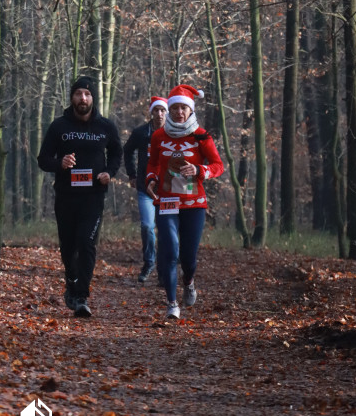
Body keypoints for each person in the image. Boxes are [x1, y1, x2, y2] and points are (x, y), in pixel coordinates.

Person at [37, 76, 122, 318]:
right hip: (66, 196)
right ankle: (71, 280)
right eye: (78, 94)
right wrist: (60, 163)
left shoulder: (105, 126)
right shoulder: (59, 127)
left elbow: (117, 152)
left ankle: (82, 296)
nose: (82, 98)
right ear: (72, 98)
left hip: (93, 197)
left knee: (86, 243)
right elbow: (43, 160)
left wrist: (110, 172)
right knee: (68, 247)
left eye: (87, 94)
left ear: (93, 98)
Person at [146, 84, 224, 320]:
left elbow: (218, 166)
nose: (179, 112)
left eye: (183, 108)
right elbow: (153, 164)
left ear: (190, 110)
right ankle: (172, 304)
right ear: (169, 110)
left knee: (188, 256)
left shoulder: (201, 135)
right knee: (169, 251)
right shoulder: (159, 136)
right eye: (175, 108)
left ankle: (189, 281)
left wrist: (200, 170)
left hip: (194, 202)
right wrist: (151, 179)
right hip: (167, 200)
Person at [123, 96, 168, 283]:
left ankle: (165, 269)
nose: (159, 114)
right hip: (145, 188)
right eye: (156, 110)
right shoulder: (142, 133)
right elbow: (127, 150)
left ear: (167, 112)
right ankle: (149, 262)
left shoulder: (173, 132)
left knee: (167, 229)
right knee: (148, 226)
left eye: (162, 110)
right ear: (151, 112)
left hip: (168, 191)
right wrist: (132, 174)